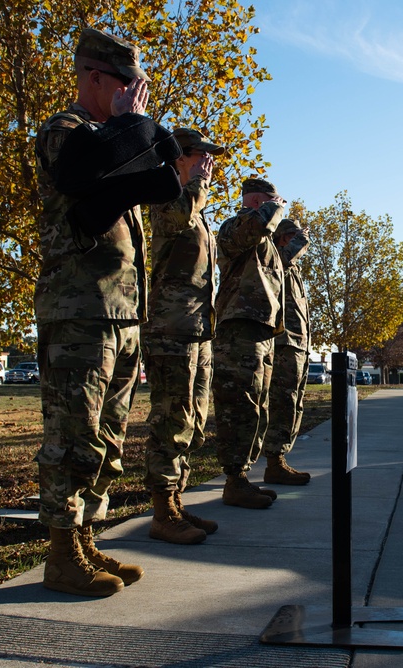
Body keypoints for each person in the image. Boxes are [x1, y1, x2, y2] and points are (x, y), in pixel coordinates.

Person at [33, 28, 157, 597]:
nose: (136, 97)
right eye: (128, 86)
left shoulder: (109, 136)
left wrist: (137, 134)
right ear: (93, 77)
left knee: (105, 439)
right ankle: (61, 555)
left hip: (119, 312)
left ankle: (83, 539)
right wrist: (130, 125)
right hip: (79, 309)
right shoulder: (66, 131)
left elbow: (150, 183)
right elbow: (82, 175)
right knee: (73, 435)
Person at [142, 128, 225, 544]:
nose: (208, 163)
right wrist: (196, 185)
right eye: (199, 156)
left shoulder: (197, 203)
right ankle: (161, 512)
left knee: (192, 421)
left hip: (197, 328)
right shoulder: (166, 194)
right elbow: (175, 219)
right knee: (171, 419)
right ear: (178, 158)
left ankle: (176, 503)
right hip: (170, 328)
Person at [212, 177, 286, 509]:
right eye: (275, 202)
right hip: (238, 328)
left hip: (260, 329)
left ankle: (243, 477)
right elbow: (258, 226)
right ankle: (234, 479)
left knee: (257, 407)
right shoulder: (236, 227)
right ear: (258, 202)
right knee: (239, 406)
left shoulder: (263, 238)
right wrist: (275, 208)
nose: (281, 209)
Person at [262, 218, 312, 485]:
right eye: (290, 236)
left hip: (299, 345)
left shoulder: (293, 269)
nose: (296, 240)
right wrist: (300, 239)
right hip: (284, 344)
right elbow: (281, 257)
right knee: (283, 402)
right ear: (282, 238)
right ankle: (274, 461)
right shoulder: (277, 258)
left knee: (295, 403)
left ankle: (279, 459)